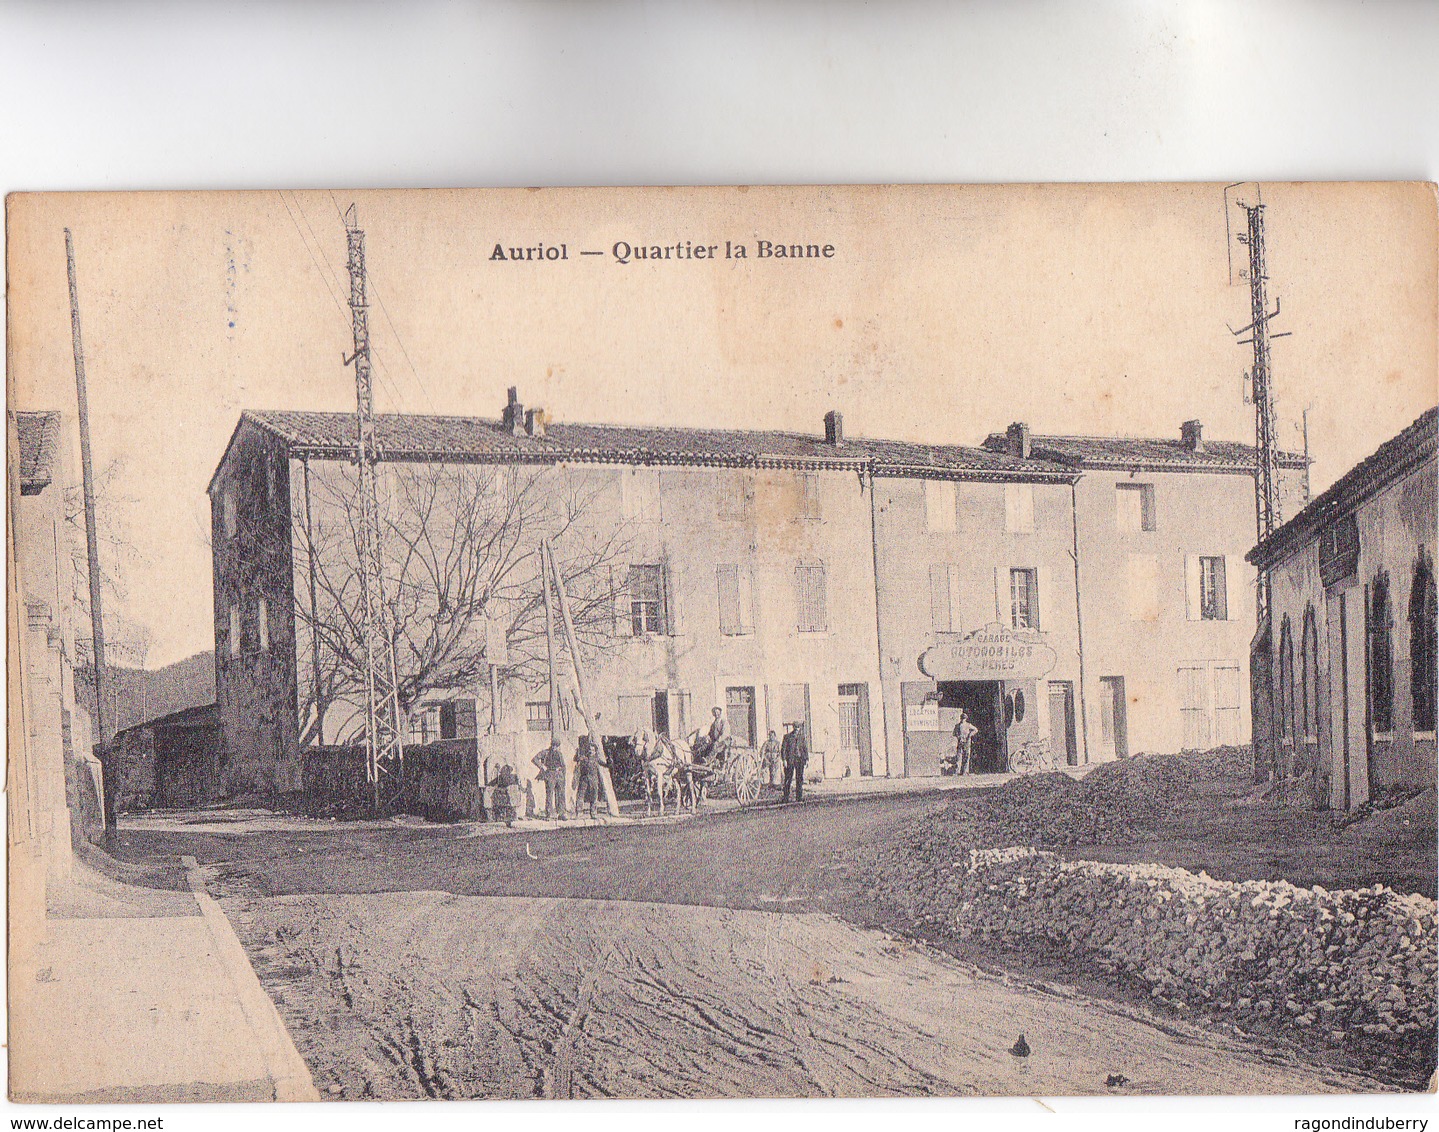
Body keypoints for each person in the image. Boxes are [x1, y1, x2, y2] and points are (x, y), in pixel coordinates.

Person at [573, 731, 610, 820]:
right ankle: (579, 812)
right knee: (580, 795)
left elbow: (605, 764)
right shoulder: (584, 758)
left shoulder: (597, 759)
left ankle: (593, 813)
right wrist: (577, 752)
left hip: (594, 779)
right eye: (590, 749)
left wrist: (609, 758)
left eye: (593, 750)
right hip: (584, 779)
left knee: (594, 796)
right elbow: (576, 759)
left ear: (595, 751)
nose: (591, 751)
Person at [531, 740, 567, 820]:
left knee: (560, 794)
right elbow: (535, 759)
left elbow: (563, 765)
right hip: (550, 774)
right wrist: (542, 766)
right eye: (554, 745)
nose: (555, 747)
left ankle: (561, 813)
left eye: (557, 746)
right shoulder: (545, 752)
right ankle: (549, 813)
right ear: (551, 745)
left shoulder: (559, 754)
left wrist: (563, 775)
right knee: (549, 794)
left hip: (559, 774)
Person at [780, 721, 809, 803]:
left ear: (800, 728)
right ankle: (786, 798)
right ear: (793, 727)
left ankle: (799, 797)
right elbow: (783, 750)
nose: (797, 729)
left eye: (798, 727)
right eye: (795, 727)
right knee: (788, 779)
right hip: (790, 761)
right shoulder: (787, 737)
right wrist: (784, 760)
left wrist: (806, 760)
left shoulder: (802, 737)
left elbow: (805, 749)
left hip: (800, 760)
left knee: (799, 779)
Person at [953, 709, 979, 776]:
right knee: (959, 756)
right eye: (962, 718)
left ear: (966, 719)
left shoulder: (968, 725)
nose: (962, 720)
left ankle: (964, 771)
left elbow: (976, 730)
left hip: (967, 742)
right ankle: (957, 771)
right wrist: (958, 736)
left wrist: (970, 734)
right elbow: (954, 733)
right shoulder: (957, 726)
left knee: (966, 756)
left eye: (964, 718)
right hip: (960, 741)